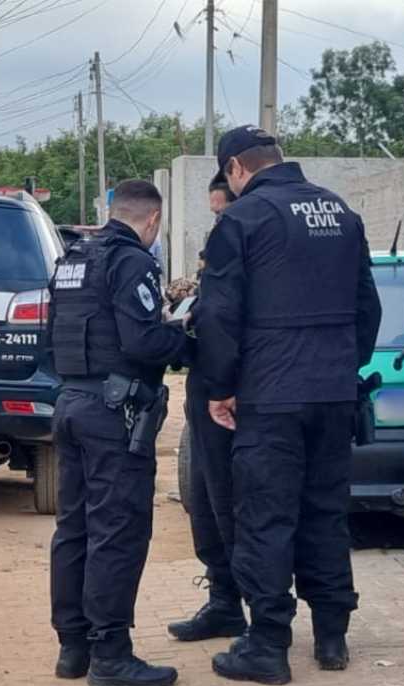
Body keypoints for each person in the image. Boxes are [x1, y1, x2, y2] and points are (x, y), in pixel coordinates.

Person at [195, 126, 382, 685]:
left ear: (235, 169)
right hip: (333, 393)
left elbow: (218, 315)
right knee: (324, 511)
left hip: (271, 395)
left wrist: (221, 386)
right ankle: (331, 636)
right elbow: (366, 307)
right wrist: (342, 368)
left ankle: (268, 643)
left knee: (266, 515)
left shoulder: (243, 220)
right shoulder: (341, 212)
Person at [48, 179, 191, 686]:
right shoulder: (132, 261)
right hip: (115, 414)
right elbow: (143, 341)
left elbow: (55, 333)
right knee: (118, 530)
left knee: (75, 527)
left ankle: (73, 647)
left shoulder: (73, 259)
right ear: (151, 220)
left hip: (70, 403)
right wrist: (185, 336)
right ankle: (111, 653)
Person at [167, 179, 246, 643]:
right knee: (204, 503)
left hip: (235, 400)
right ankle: (223, 603)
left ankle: (261, 612)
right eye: (213, 213)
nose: (217, 222)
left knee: (234, 506)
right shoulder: (216, 255)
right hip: (205, 398)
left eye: (223, 212)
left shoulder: (248, 251)